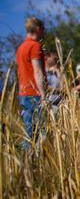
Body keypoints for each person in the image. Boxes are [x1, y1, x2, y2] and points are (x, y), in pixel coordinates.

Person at [16, 17, 47, 148]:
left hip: (23, 93)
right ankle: (32, 163)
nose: (44, 32)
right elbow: (37, 72)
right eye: (43, 29)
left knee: (28, 132)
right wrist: (43, 95)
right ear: (38, 29)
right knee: (40, 134)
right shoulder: (35, 46)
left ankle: (25, 164)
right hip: (34, 94)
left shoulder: (21, 47)